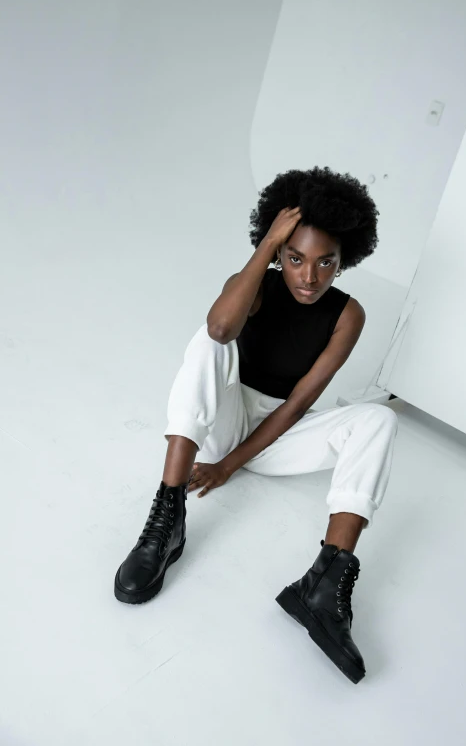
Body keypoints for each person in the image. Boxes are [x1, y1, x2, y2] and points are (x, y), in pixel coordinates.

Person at [114, 166, 398, 684]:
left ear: (344, 260)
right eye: (294, 258)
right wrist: (266, 246)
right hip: (227, 416)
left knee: (379, 418)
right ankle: (165, 519)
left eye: (325, 263)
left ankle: (324, 581)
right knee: (209, 340)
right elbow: (223, 327)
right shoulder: (252, 287)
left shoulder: (347, 315)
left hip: (280, 435)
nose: (308, 277)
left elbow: (296, 407)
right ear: (277, 252)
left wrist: (227, 467)